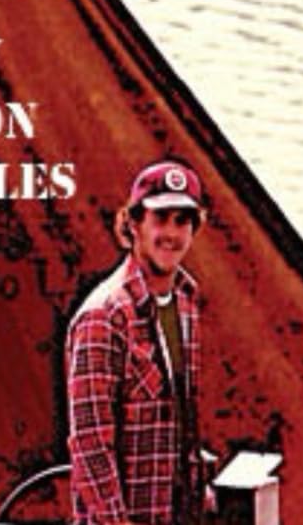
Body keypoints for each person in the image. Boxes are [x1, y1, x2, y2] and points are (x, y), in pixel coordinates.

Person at [66, 159, 206, 525]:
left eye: (182, 220)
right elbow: (90, 447)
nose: (171, 234)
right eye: (160, 218)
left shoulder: (186, 302)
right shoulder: (103, 316)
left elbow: (181, 417)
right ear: (133, 224)